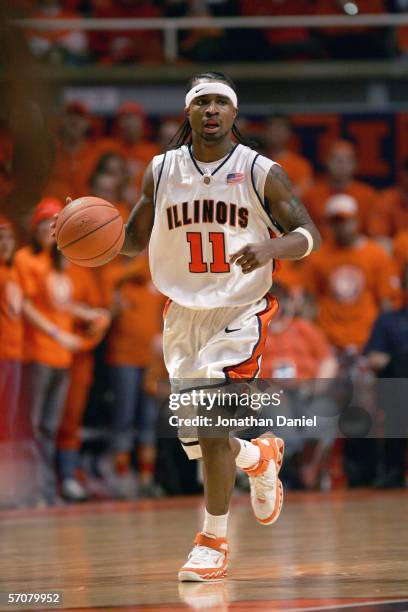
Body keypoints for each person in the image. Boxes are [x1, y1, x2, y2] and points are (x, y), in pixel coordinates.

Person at [54, 71, 320, 580]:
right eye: (203, 103)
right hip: (181, 315)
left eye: (222, 102)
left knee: (214, 428)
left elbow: (309, 234)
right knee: (197, 439)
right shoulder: (161, 169)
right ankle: (260, 457)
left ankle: (212, 542)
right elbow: (130, 238)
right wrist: (81, 233)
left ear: (234, 113)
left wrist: (268, 246)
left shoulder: (261, 171)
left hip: (241, 311)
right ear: (189, 113)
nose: (213, 110)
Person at [303, 140, 377, 236]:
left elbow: (374, 233)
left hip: (354, 248)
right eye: (337, 159)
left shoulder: (368, 196)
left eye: (347, 160)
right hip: (320, 248)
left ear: (355, 164)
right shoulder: (310, 195)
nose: (341, 164)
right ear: (327, 162)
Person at [265, 115, 313, 198]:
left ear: (289, 133)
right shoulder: (258, 161)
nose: (276, 133)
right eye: (273, 129)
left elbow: (302, 190)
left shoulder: (300, 164)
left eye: (280, 129)